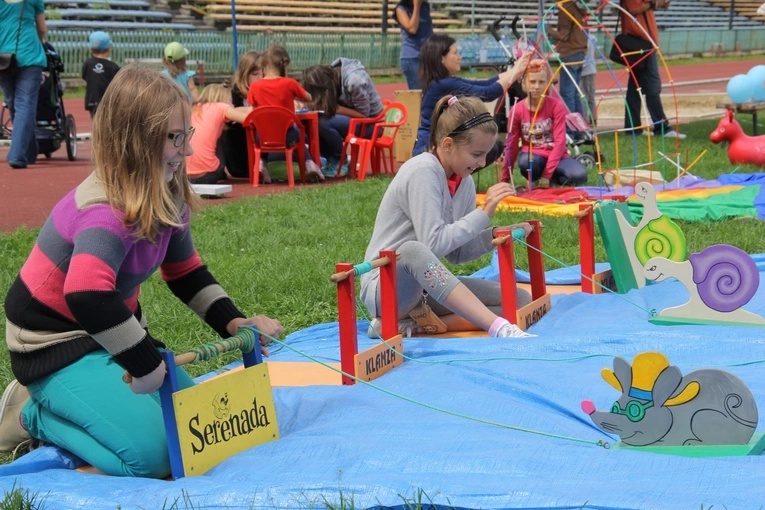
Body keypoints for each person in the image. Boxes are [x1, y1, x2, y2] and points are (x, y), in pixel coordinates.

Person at [0, 65, 283, 478]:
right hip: (53, 345)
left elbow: (186, 273)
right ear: (135, 141)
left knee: (199, 429)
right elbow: (86, 293)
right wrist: (146, 364)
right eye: (174, 137)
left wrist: (235, 322)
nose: (186, 151)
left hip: (107, 329)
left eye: (186, 134)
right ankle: (32, 414)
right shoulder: (103, 212)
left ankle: (83, 398)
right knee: (156, 458)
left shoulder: (167, 196)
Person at [361, 95, 536, 340]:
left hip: (425, 286)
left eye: (486, 154)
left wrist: (494, 234)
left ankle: (405, 325)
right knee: (411, 250)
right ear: (448, 145)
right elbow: (431, 245)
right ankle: (499, 328)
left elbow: (456, 253)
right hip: (386, 289)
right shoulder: (422, 170)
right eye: (476, 154)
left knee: (518, 299)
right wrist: (483, 213)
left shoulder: (462, 180)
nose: (482, 162)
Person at [412, 34, 532, 158]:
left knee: (493, 147)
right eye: (455, 53)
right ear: (441, 58)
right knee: (492, 148)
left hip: (433, 145)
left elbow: (486, 84)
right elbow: (488, 93)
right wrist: (517, 71)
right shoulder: (444, 84)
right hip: (430, 150)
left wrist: (517, 70)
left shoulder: (440, 82)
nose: (460, 57)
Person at [502, 60, 588, 188]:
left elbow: (560, 142)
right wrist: (505, 179)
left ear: (547, 84)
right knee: (527, 162)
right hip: (533, 157)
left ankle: (551, 178)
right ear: (524, 84)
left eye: (541, 82)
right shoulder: (517, 110)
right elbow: (512, 144)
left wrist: (547, 175)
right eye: (532, 82)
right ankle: (536, 178)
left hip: (558, 156)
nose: (536, 86)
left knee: (579, 176)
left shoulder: (556, 106)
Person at [247, 44, 323, 183]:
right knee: (301, 135)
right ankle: (310, 164)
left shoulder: (255, 86)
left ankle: (261, 164)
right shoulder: (290, 83)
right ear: (284, 64)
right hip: (287, 136)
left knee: (263, 137)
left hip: (261, 137)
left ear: (263, 65)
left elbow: (254, 109)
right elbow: (309, 97)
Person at [301, 58, 384, 177]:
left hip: (371, 124)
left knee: (323, 123)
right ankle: (331, 160)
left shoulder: (355, 82)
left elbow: (364, 115)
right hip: (355, 120)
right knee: (310, 122)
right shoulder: (333, 74)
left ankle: (340, 160)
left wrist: (337, 109)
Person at [619, 0, 685, 138]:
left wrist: (658, 4)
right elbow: (635, 8)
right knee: (652, 85)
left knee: (635, 88)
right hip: (641, 42)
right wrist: (655, 3)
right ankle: (661, 127)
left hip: (643, 41)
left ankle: (633, 128)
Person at [0, 0, 47, 169]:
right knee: (24, 105)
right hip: (30, 54)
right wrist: (42, 41)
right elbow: (42, 28)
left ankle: (17, 154)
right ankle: (28, 151)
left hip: (2, 57)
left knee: (13, 103)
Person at [187, 83, 252, 185]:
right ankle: (226, 168)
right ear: (222, 99)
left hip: (183, 176)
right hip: (207, 175)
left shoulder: (192, 108)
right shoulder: (221, 107)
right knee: (223, 136)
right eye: (230, 101)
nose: (232, 105)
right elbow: (248, 119)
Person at [222, 50, 262, 179]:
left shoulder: (264, 90)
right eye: (255, 74)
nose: (260, 77)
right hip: (238, 138)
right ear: (245, 74)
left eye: (263, 74)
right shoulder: (236, 91)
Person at [546, 0, 589, 118]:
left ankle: (570, 129)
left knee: (567, 94)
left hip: (570, 53)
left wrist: (547, 29)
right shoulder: (578, 7)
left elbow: (564, 35)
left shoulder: (566, 8)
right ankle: (580, 129)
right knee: (575, 94)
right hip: (580, 51)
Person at [393, 0, 433, 90]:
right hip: (412, 57)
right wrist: (416, 7)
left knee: (431, 89)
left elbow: (429, 30)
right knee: (418, 92)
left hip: (427, 55)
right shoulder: (401, 9)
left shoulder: (425, 6)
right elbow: (412, 29)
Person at [81, 31, 120, 119]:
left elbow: (84, 76)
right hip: (108, 101)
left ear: (91, 49)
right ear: (109, 49)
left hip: (92, 99)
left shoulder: (88, 63)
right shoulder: (113, 67)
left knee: (95, 121)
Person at [580, 39, 597, 125]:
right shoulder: (589, 38)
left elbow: (589, 55)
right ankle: (587, 120)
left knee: (588, 97)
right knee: (584, 97)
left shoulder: (589, 38)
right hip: (584, 71)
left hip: (588, 71)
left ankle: (590, 119)